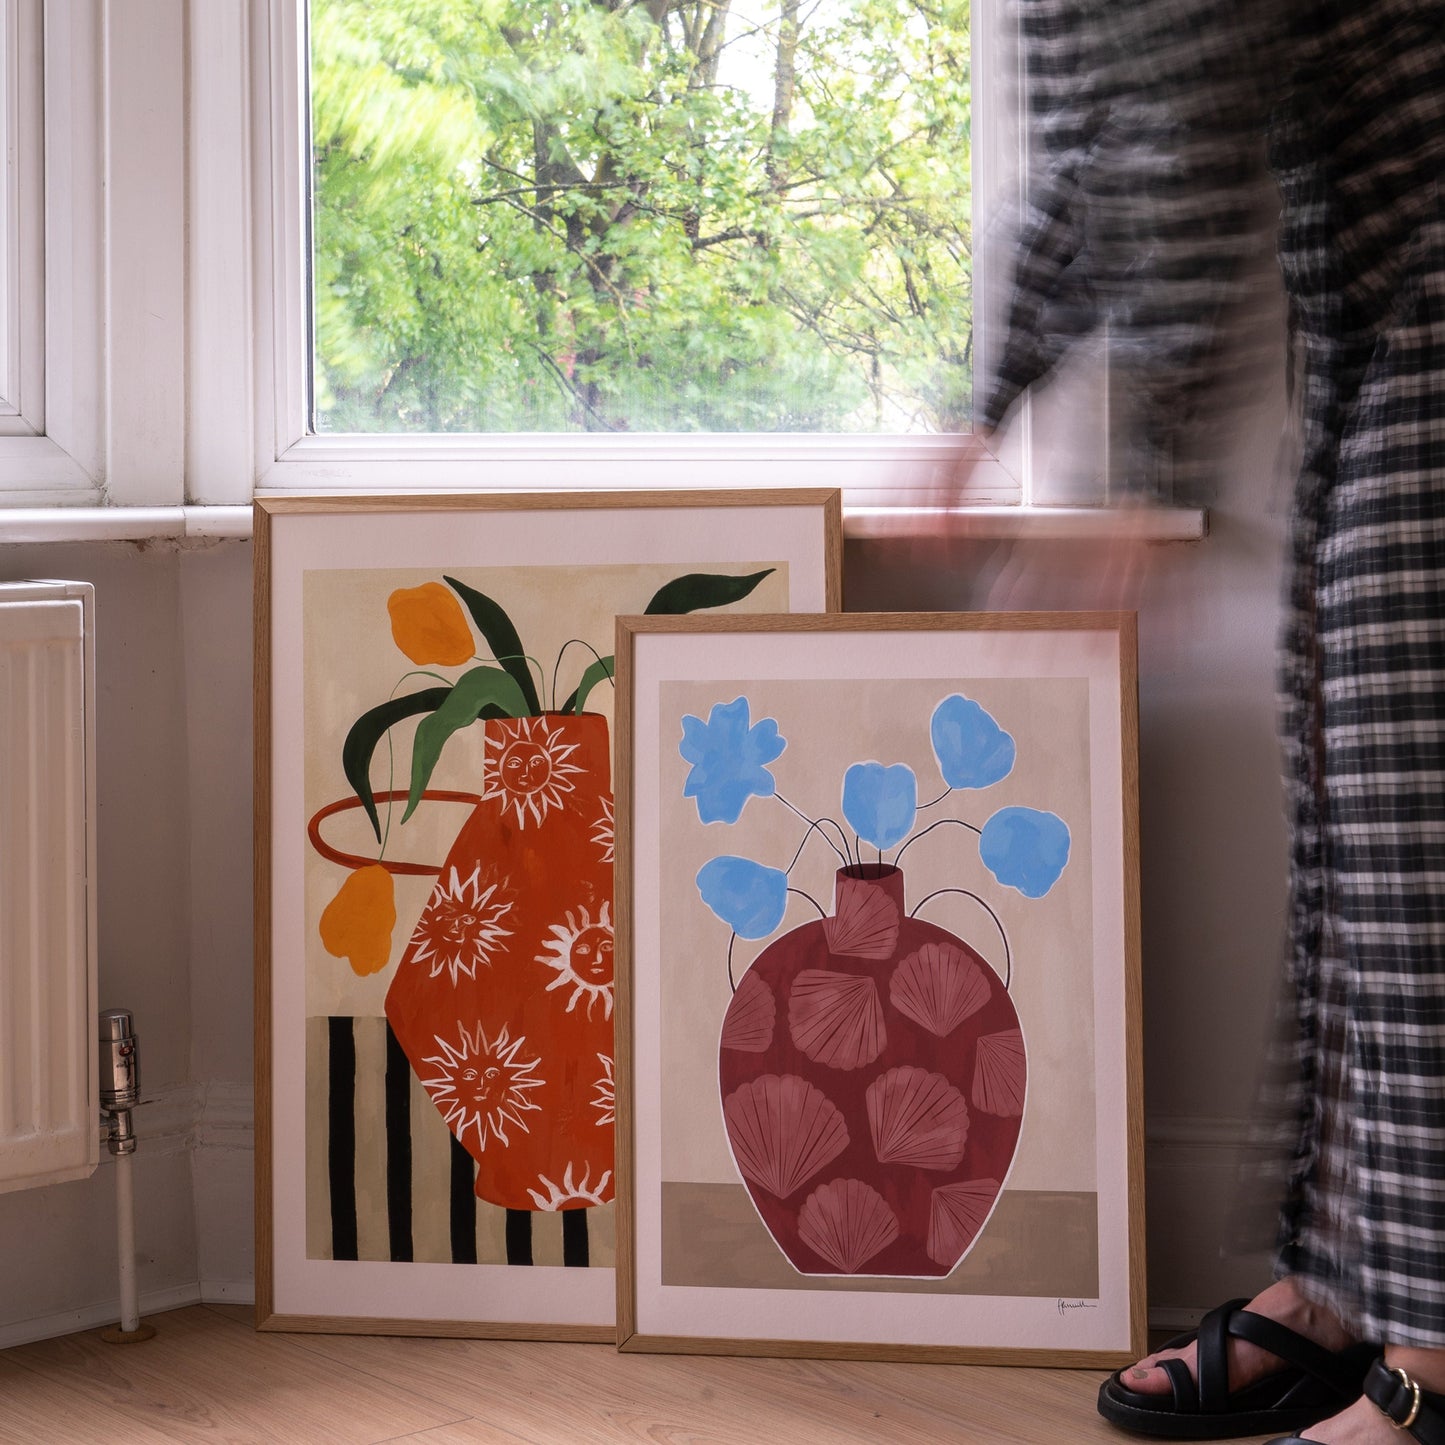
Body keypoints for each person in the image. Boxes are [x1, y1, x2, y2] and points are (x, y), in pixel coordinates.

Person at [983, 0, 1445, 1438]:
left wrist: (1148, 457)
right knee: (1354, 823)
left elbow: (1181, 113)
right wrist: (996, 388)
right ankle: (1354, 1285)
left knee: (1411, 861)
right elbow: (1104, 134)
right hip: (1379, 322)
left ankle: (1433, 1363)